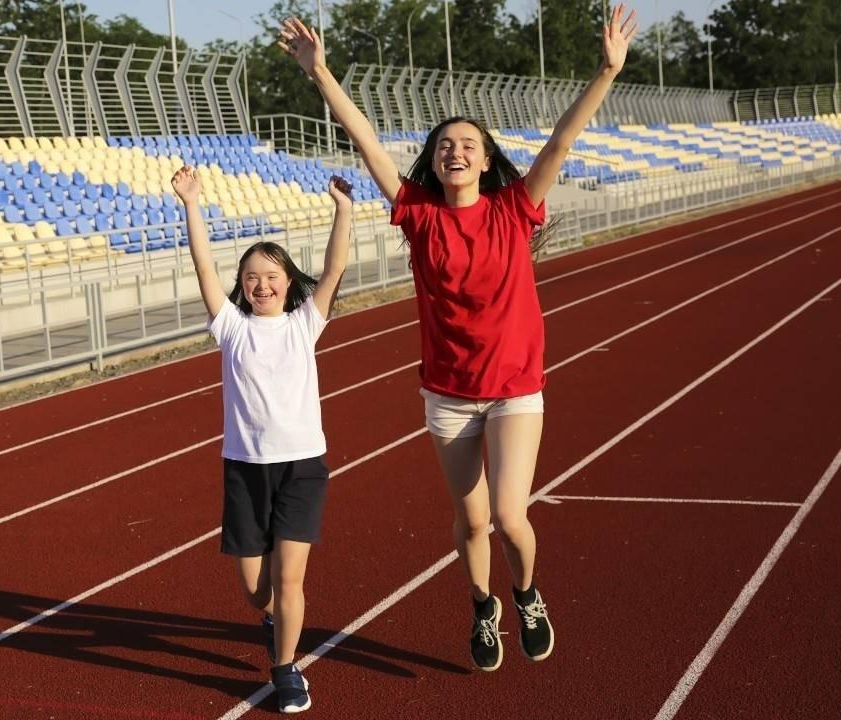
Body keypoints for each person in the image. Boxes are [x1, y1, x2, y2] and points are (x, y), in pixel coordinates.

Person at [279, 5, 639, 672]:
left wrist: (606, 71)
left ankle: (526, 594)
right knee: (471, 521)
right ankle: (482, 606)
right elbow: (367, 142)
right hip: (448, 394)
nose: (456, 151)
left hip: (513, 388)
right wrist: (320, 73)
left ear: (485, 158)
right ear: (434, 160)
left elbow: (561, 143)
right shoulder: (418, 215)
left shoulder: (515, 207)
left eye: (468, 143)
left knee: (509, 515)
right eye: (445, 144)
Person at [170, 165, 353, 713]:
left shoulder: (304, 324)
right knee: (256, 590)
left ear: (289, 282)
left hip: (301, 468)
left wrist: (343, 210)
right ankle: (274, 621)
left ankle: (286, 669)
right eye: (251, 277)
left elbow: (334, 268)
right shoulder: (231, 327)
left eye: (271, 275)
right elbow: (204, 267)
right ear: (242, 286)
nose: (261, 285)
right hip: (245, 469)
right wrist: (191, 204)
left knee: (290, 578)